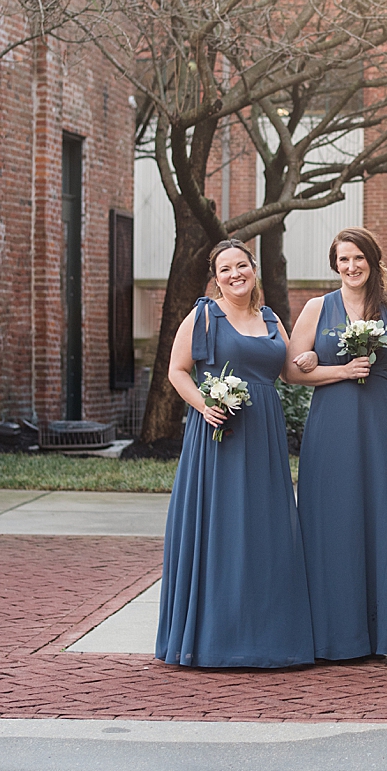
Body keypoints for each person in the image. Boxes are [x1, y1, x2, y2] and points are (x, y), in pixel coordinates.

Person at [287, 227, 387, 660]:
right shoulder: (317, 308)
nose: (352, 266)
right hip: (330, 426)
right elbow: (291, 370)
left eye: (359, 258)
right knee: (332, 520)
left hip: (377, 424)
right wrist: (329, 367)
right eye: (344, 260)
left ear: (372, 261)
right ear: (334, 265)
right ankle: (335, 633)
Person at [156, 239, 318, 668]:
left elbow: (289, 371)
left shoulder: (269, 319)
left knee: (264, 529)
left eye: (241, 266)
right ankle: (216, 637)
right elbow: (176, 370)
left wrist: (319, 360)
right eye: (225, 269)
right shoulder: (204, 316)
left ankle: (267, 635)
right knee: (223, 529)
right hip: (219, 435)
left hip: (263, 435)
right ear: (216, 277)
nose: (235, 275)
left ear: (253, 270)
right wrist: (202, 405)